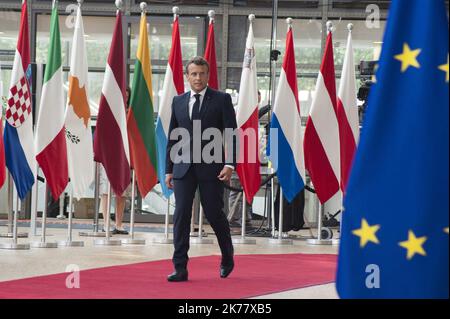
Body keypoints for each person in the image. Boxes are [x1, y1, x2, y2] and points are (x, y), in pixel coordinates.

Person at [165, 56, 237, 282]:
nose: (198, 77)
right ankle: (180, 268)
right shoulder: (178, 101)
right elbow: (172, 137)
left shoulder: (221, 99)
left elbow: (231, 133)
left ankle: (227, 257)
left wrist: (229, 163)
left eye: (202, 73)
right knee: (181, 215)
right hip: (183, 168)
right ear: (187, 76)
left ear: (208, 75)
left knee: (215, 214)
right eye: (193, 74)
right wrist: (168, 169)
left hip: (212, 167)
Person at [98, 87, 132, 235]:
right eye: (122, 96)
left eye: (126, 97)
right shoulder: (108, 112)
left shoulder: (130, 114)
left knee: (122, 191)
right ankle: (106, 223)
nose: (124, 99)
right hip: (108, 157)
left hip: (125, 157)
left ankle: (119, 224)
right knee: (106, 191)